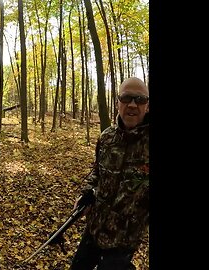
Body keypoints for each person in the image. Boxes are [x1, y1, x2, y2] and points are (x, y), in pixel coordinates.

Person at [70, 77, 149, 270]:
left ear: (147, 106)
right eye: (126, 98)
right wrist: (87, 193)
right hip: (94, 230)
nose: (132, 105)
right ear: (117, 103)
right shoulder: (107, 138)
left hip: (124, 241)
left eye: (139, 100)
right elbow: (96, 173)